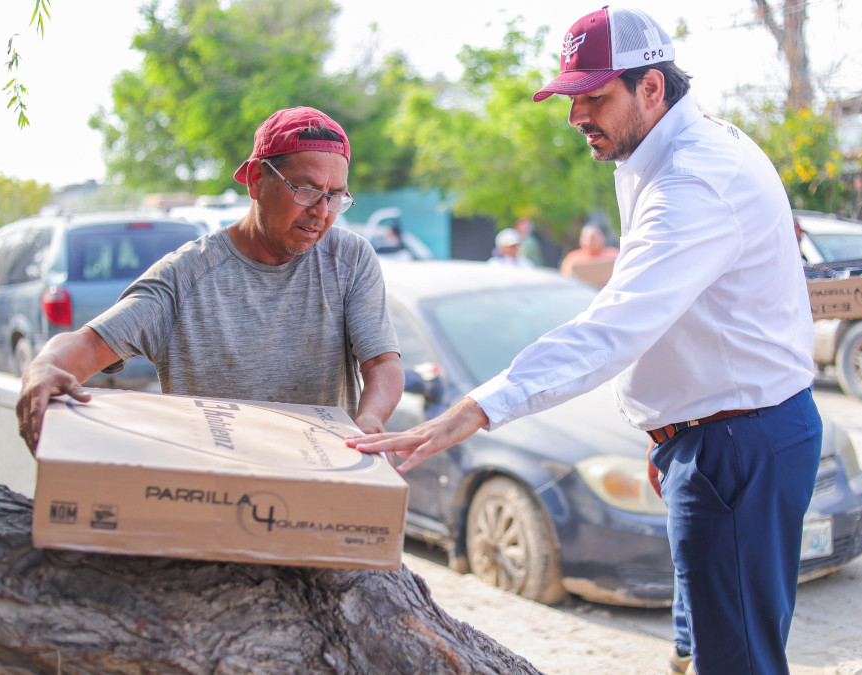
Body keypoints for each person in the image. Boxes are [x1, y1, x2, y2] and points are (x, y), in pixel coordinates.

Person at [346, 7, 820, 675]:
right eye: (571, 97)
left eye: (593, 97)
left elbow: (614, 326)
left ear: (650, 88)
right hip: (711, 435)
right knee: (706, 646)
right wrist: (669, 433)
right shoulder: (656, 153)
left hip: (736, 442)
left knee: (736, 660)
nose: (575, 117)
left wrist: (474, 409)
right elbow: (675, 311)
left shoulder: (692, 178)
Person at [17, 106, 404, 452]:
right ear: (256, 180)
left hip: (320, 480)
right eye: (305, 190)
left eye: (335, 196)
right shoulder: (187, 276)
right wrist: (44, 365)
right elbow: (88, 346)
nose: (322, 212)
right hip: (211, 487)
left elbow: (382, 364)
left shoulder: (349, 259)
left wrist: (369, 421)